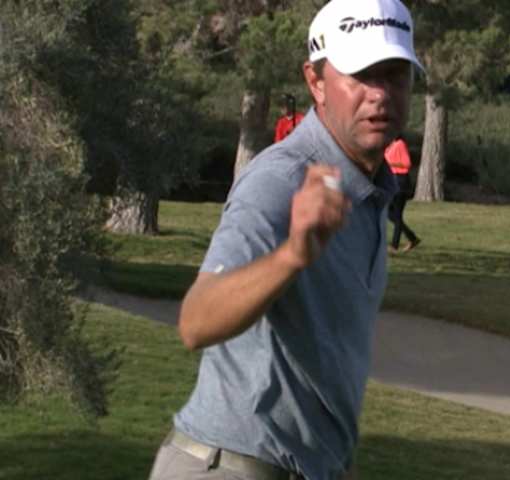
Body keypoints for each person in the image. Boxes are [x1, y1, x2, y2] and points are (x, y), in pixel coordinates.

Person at [147, 1, 423, 479]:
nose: (380, 94)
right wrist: (293, 255)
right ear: (315, 82)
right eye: (361, 74)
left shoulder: (371, 189)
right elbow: (196, 320)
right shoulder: (281, 179)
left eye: (394, 74)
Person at [384, 136, 420, 252]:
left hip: (401, 182)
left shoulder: (400, 144)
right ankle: (412, 238)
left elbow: (407, 163)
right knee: (389, 212)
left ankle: (394, 246)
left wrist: (391, 163)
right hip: (393, 181)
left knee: (397, 215)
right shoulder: (391, 145)